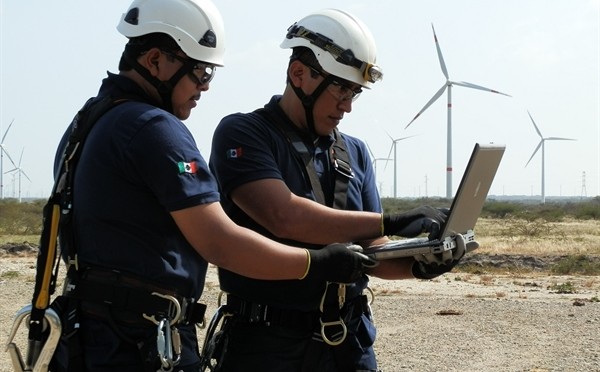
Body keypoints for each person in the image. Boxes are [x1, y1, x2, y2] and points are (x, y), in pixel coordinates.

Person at [49, 1, 371, 371]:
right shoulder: (155, 128)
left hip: (90, 337)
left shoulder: (87, 122)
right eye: (200, 72)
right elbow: (220, 241)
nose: (204, 87)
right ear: (155, 60)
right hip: (136, 343)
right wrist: (317, 262)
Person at [208, 8, 475, 372]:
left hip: (347, 342)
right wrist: (393, 221)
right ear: (299, 74)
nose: (347, 105)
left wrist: (421, 263)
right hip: (267, 344)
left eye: (355, 92)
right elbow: (283, 216)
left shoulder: (355, 151)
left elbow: (374, 252)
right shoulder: (244, 134)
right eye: (340, 88)